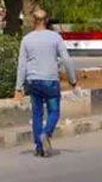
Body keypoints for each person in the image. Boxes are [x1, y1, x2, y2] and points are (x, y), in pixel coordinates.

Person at [14, 9, 77, 157]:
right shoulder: (55, 37)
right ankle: (46, 133)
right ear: (46, 20)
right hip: (50, 81)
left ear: (33, 20)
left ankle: (38, 146)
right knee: (54, 111)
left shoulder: (26, 39)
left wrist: (18, 87)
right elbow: (66, 59)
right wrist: (72, 79)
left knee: (37, 114)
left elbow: (22, 64)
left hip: (33, 81)